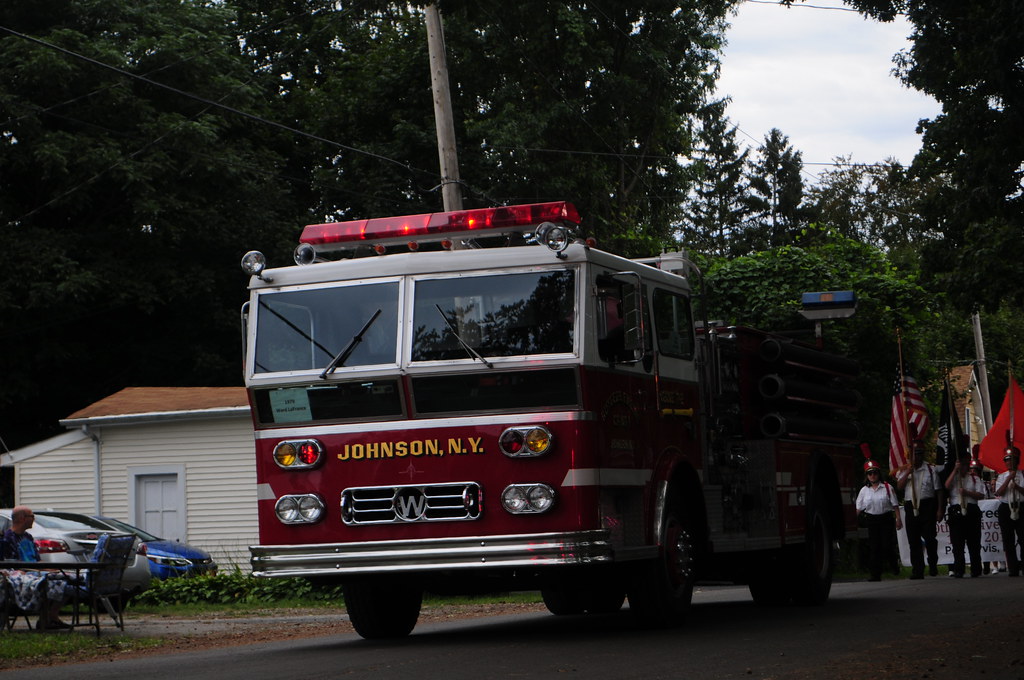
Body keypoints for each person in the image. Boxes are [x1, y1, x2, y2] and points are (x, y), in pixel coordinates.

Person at [0, 505, 73, 629]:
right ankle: (48, 618)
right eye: (32, 516)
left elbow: (36, 560)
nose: (34, 519)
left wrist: (47, 568)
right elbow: (12, 565)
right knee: (50, 582)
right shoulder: (7, 539)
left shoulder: (28, 537)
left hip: (36, 570)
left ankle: (51, 617)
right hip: (24, 574)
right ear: (23, 518)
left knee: (68, 578)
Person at [895, 441, 944, 579]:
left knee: (929, 538)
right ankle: (918, 569)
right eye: (915, 455)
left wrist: (940, 509)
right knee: (913, 539)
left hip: (927, 505)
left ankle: (933, 564)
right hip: (911, 506)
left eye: (920, 454)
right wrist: (907, 473)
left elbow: (938, 490)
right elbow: (899, 486)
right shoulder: (904, 469)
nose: (917, 457)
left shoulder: (930, 469)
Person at [857, 460, 903, 582]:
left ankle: (894, 564)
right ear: (866, 476)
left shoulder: (887, 487)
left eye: (875, 473)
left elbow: (895, 505)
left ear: (879, 474)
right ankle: (875, 574)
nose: (872, 476)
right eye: (870, 473)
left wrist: (898, 519)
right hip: (872, 520)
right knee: (874, 548)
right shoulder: (864, 491)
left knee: (887, 545)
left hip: (886, 519)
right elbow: (858, 508)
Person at [944, 452, 986, 578]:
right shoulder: (954, 477)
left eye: (966, 464)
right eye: (961, 464)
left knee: (974, 542)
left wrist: (967, 492)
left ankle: (976, 569)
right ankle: (959, 569)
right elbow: (946, 486)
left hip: (971, 509)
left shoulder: (974, 478)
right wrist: (954, 471)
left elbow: (980, 494)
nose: (964, 467)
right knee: (957, 543)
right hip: (956, 509)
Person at [995, 447, 1024, 577]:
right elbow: (999, 493)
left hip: (1021, 506)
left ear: (1017, 461)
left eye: (1011, 460)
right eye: (1006, 460)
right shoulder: (1001, 476)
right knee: (1008, 540)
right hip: (1006, 507)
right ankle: (1013, 568)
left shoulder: (1022, 474)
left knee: (1023, 538)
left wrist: (1017, 486)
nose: (1009, 463)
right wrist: (1008, 480)